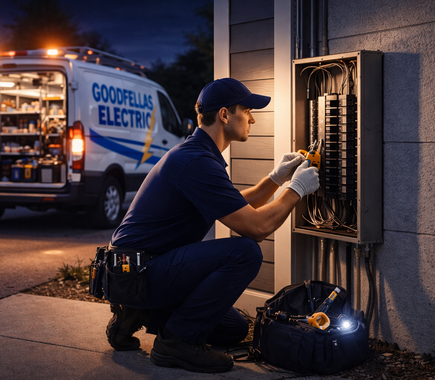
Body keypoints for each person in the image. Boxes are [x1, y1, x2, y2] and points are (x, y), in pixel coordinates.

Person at [105, 78, 320, 373]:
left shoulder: (196, 154)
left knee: (232, 329)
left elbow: (234, 205)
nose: (252, 118)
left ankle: (138, 311)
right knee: (246, 251)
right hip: (140, 273)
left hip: (134, 269)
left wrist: (276, 178)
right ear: (224, 115)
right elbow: (255, 227)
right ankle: (175, 344)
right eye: (246, 110)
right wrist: (296, 189)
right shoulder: (196, 162)